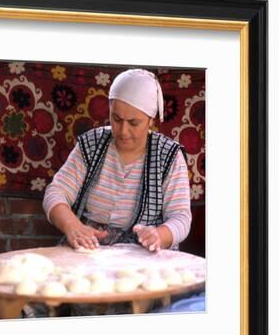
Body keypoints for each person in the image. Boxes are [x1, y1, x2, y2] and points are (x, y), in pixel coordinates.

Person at [43, 68, 191, 252]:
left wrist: (159, 235)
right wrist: (73, 226)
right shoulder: (92, 144)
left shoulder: (169, 156)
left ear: (150, 120)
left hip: (142, 253)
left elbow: (181, 217)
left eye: (134, 123)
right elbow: (56, 192)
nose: (123, 131)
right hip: (89, 246)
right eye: (116, 119)